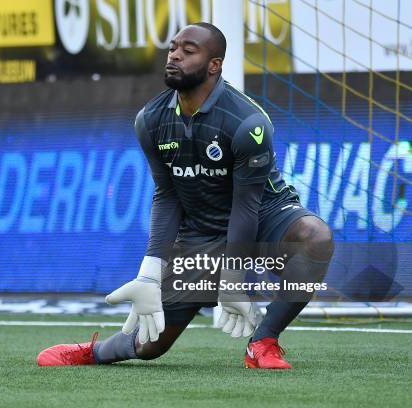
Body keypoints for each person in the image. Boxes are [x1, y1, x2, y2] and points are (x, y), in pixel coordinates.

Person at [36, 22, 334, 369]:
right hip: (201, 233)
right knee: (149, 344)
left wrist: (233, 276)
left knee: (314, 237)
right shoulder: (149, 120)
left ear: (215, 65)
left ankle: (263, 341)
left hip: (264, 217)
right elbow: (167, 196)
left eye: (188, 50)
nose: (175, 55)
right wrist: (150, 273)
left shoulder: (247, 122)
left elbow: (246, 204)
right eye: (173, 48)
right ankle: (93, 352)